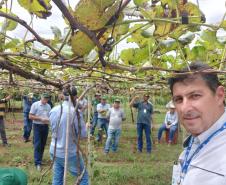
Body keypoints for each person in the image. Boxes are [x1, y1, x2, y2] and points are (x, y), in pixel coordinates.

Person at [169, 62, 226, 185]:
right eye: (179, 99)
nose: (185, 108)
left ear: (219, 96)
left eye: (195, 96)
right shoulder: (198, 138)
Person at [49, 85, 89, 185]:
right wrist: (87, 126)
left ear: (62, 95)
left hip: (54, 150)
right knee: (83, 177)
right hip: (68, 152)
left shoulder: (53, 110)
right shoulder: (75, 113)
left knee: (58, 178)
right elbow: (83, 135)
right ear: (75, 97)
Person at [29, 93, 51, 171]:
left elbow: (49, 116)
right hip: (37, 126)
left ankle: (39, 160)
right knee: (37, 144)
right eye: (44, 98)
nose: (46, 100)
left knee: (43, 143)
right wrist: (40, 119)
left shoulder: (48, 106)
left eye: (47, 98)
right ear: (41, 97)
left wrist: (49, 120)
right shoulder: (35, 105)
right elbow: (30, 116)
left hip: (45, 126)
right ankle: (37, 162)